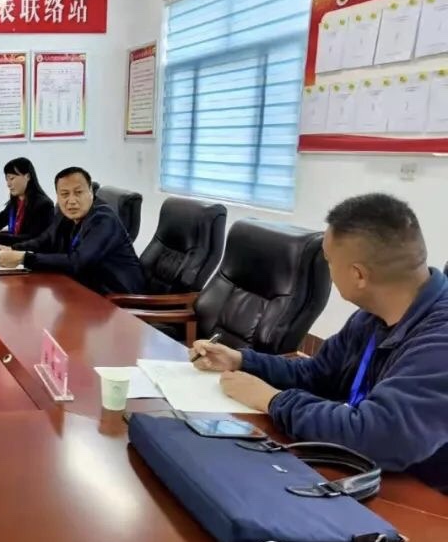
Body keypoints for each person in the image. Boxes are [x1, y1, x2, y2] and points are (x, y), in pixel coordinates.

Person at [192, 193, 448, 492]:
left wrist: (272, 400)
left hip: (423, 496)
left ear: (358, 275)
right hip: (365, 472)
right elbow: (317, 374)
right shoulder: (373, 316)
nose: (329, 271)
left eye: (328, 261)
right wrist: (242, 360)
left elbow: (377, 436)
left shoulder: (439, 341)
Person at [0, 167, 144, 295]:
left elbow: (78, 262)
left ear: (91, 192)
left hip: (119, 300)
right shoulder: (66, 214)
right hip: (87, 291)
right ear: (58, 197)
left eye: (78, 192)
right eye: (65, 194)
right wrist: (14, 249)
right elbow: (45, 240)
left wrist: (23, 258)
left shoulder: (104, 220)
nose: (71, 201)